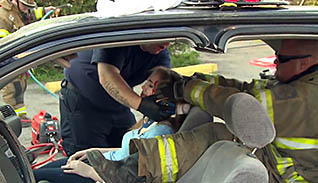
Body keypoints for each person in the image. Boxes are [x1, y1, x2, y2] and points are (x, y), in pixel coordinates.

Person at [86, 39, 318, 183]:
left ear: (303, 63)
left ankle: (136, 172)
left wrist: (182, 87)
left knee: (218, 134)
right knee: (218, 133)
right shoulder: (297, 83)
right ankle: (135, 170)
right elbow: (242, 87)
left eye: (282, 58)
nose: (275, 61)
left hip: (290, 176)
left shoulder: (304, 98)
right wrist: (188, 80)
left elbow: (243, 104)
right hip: (278, 160)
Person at [34, 66, 190, 183]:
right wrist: (93, 151)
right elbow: (126, 152)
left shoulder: (160, 132)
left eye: (150, 86)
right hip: (101, 164)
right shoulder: (149, 123)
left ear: (163, 98)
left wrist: (88, 171)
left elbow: (135, 176)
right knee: (34, 172)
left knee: (34, 177)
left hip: (104, 175)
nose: (142, 88)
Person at [60, 42, 172, 156]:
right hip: (83, 103)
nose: (168, 43)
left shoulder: (160, 53)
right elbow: (107, 76)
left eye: (170, 38)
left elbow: (166, 83)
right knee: (84, 160)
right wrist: (143, 105)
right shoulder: (118, 38)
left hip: (119, 102)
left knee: (130, 150)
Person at [0, 0, 55, 126]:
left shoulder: (19, 9)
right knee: (11, 87)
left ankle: (20, 115)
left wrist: (45, 11)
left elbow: (31, 14)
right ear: (15, 1)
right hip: (9, 57)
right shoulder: (3, 15)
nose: (26, 9)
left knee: (21, 86)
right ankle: (12, 117)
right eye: (25, 6)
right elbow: (4, 41)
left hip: (19, 56)